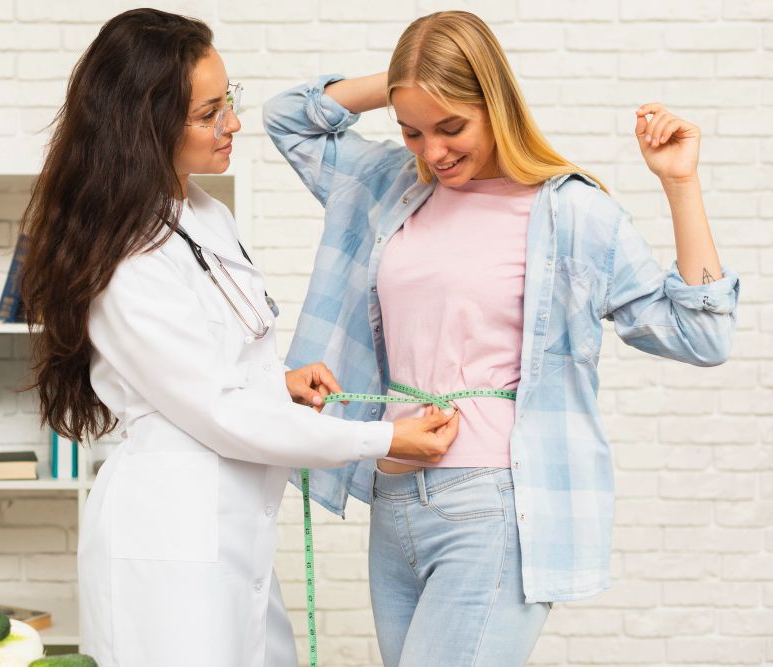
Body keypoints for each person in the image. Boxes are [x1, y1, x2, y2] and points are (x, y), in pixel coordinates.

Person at [264, 10, 739, 666]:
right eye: (411, 131)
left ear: (496, 101)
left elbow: (701, 335)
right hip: (393, 498)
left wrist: (680, 183)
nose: (433, 151)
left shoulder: (568, 212)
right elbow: (288, 116)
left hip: (491, 506)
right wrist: (407, 80)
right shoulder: (391, 185)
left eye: (451, 125)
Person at [18, 9, 459, 667]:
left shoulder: (203, 213)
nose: (234, 124)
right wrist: (382, 438)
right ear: (147, 123)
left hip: (231, 531)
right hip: (169, 538)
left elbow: (204, 367)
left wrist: (276, 381)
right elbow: (220, 411)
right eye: (208, 113)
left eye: (230, 102)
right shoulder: (125, 258)